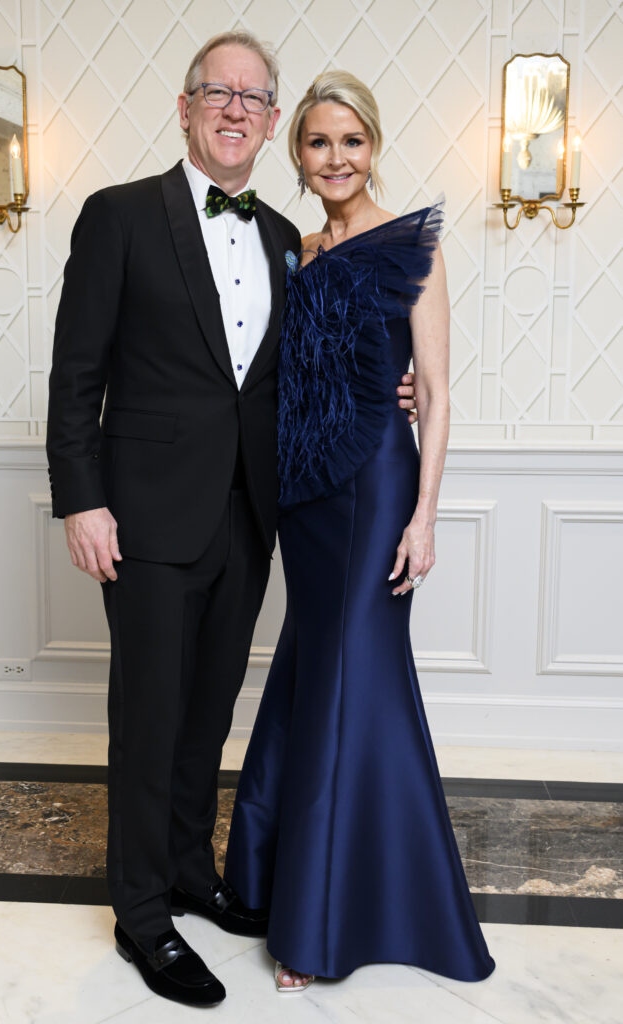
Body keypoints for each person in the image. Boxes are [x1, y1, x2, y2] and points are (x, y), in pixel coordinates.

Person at [46, 34, 418, 1008]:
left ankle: (186, 871)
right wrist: (81, 497)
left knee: (206, 715)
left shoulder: (282, 240)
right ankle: (140, 916)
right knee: (148, 715)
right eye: (220, 91)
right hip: (144, 518)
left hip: (251, 517)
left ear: (270, 120)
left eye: (255, 97)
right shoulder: (119, 215)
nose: (236, 109)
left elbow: (307, 369)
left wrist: (393, 383)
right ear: (185, 106)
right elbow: (75, 371)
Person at [224, 71, 496, 991]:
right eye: (316, 143)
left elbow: (440, 393)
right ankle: (273, 883)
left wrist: (422, 516)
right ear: (294, 154)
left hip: (377, 486)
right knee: (311, 673)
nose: (334, 158)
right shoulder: (295, 250)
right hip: (305, 496)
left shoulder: (411, 244)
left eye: (350, 141)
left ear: (371, 146)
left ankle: (321, 923)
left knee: (349, 684)